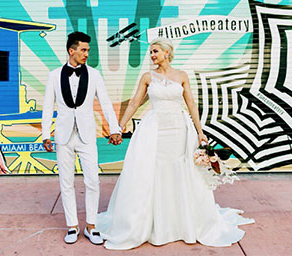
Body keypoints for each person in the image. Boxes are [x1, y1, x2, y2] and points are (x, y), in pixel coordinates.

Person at [97, 37, 254, 250]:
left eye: (155, 51)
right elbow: (135, 102)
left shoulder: (181, 76)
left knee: (181, 171)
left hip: (180, 129)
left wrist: (200, 132)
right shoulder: (147, 77)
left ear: (166, 53)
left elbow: (191, 104)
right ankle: (154, 222)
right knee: (153, 171)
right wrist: (120, 125)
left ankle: (183, 221)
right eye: (151, 52)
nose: (152, 55)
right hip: (155, 129)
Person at [41, 31, 123, 245]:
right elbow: (48, 107)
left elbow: (105, 103)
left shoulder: (94, 75)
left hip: (87, 136)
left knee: (93, 180)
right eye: (84, 50)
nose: (87, 54)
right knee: (66, 182)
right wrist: (44, 133)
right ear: (72, 50)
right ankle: (72, 226)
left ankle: (91, 226)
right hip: (63, 136)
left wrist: (114, 128)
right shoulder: (53, 75)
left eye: (88, 50)